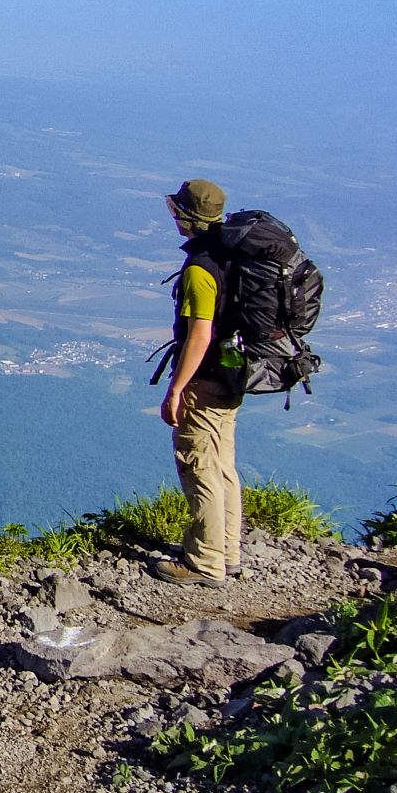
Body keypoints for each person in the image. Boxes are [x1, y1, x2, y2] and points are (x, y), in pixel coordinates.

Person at [153, 179, 242, 588]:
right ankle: (227, 551)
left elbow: (199, 334)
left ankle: (205, 562)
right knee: (223, 463)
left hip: (205, 379)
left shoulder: (200, 269)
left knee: (199, 464)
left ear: (185, 217)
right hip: (235, 375)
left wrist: (176, 388)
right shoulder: (232, 254)